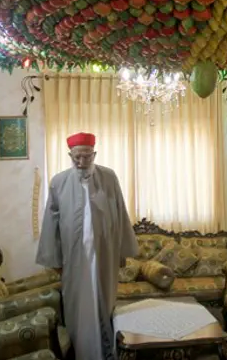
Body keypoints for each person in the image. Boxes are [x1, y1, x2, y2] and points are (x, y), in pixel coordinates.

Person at [36, 132, 138, 360]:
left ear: (95, 154)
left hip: (104, 255)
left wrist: (122, 252)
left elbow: (120, 213)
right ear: (69, 155)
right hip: (74, 258)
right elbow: (51, 223)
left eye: (87, 157)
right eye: (76, 158)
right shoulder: (59, 182)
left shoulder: (109, 177)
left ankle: (109, 352)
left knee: (105, 303)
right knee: (79, 308)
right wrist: (54, 260)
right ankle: (81, 354)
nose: (82, 163)